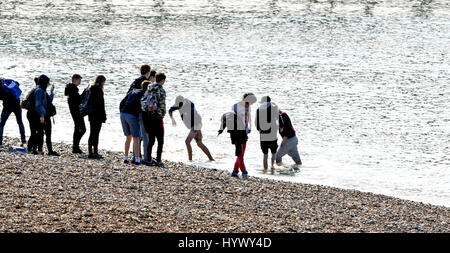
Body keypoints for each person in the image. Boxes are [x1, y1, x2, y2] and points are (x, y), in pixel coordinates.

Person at [219, 93, 257, 179]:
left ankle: (235, 171)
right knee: (239, 153)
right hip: (236, 133)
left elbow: (248, 118)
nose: (249, 105)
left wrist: (249, 128)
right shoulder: (235, 106)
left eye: (250, 103)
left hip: (244, 133)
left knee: (242, 154)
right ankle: (244, 172)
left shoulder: (248, 107)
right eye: (248, 103)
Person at [169, 95, 214, 161]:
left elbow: (197, 119)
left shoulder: (190, 106)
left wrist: (198, 131)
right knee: (199, 143)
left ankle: (190, 160)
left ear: (184, 101)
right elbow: (170, 110)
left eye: (181, 106)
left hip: (197, 123)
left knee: (187, 141)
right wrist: (172, 119)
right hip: (192, 125)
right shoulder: (178, 104)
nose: (180, 107)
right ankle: (211, 159)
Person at [120, 81, 149, 165]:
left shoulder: (133, 91)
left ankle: (125, 158)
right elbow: (143, 108)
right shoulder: (144, 94)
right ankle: (137, 159)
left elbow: (122, 102)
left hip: (123, 114)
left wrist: (122, 112)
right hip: (132, 116)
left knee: (128, 137)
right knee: (136, 138)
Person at [142, 72, 166, 167]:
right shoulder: (161, 90)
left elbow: (144, 99)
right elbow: (162, 104)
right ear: (163, 80)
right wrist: (162, 115)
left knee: (151, 139)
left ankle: (148, 159)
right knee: (160, 140)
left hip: (148, 116)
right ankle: (158, 160)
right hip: (157, 117)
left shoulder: (149, 87)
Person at [0, 79, 26, 151]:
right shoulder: (7, 81)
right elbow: (18, 84)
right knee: (20, 122)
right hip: (17, 104)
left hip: (7, 106)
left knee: (2, 124)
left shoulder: (1, 87)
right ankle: (23, 141)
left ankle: (0, 143)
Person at [27, 75, 50, 155]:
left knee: (37, 132)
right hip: (34, 114)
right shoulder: (40, 90)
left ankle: (33, 149)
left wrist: (52, 93)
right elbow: (38, 105)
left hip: (34, 113)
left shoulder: (40, 89)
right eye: (48, 82)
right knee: (38, 132)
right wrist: (42, 115)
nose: (48, 84)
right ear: (45, 82)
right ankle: (33, 149)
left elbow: (44, 103)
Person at [255, 96, 279, 171]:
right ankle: (272, 167)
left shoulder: (258, 110)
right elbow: (278, 118)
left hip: (263, 135)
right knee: (273, 152)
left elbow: (256, 123)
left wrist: (260, 130)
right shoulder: (274, 108)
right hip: (273, 134)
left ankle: (265, 170)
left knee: (265, 154)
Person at [64, 74, 86, 154]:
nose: (80, 82)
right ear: (75, 80)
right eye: (79, 80)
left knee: (77, 128)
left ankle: (75, 146)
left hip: (74, 111)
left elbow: (76, 100)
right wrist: (85, 92)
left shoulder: (70, 88)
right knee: (82, 129)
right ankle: (75, 146)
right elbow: (78, 100)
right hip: (76, 111)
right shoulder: (73, 89)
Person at [138, 71, 156, 164]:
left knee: (140, 137)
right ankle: (146, 157)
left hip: (138, 116)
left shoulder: (139, 89)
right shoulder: (148, 92)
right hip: (145, 117)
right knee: (146, 137)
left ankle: (138, 156)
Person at [87, 75, 107, 159]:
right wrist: (104, 116)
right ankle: (95, 151)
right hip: (98, 114)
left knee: (92, 132)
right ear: (102, 82)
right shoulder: (99, 90)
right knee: (96, 133)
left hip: (91, 114)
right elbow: (101, 105)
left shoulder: (91, 88)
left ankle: (90, 152)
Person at [43, 84, 59, 156]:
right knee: (48, 134)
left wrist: (51, 92)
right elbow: (49, 100)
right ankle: (49, 150)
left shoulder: (39, 91)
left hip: (42, 115)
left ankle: (35, 148)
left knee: (40, 133)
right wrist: (51, 92)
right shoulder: (43, 92)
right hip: (45, 116)